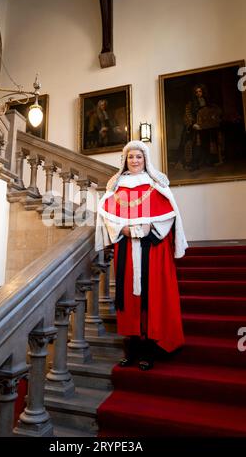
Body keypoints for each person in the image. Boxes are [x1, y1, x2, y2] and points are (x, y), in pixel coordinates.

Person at [95, 140, 188, 370]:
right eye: (131, 157)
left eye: (139, 157)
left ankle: (149, 350)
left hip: (152, 249)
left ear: (145, 159)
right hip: (126, 248)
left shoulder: (156, 184)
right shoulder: (117, 187)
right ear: (125, 161)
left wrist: (149, 228)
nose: (135, 161)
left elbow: (169, 214)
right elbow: (106, 214)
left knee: (151, 298)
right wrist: (121, 229)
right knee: (128, 299)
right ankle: (131, 349)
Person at [176, 84, 223, 171]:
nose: (198, 93)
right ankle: (195, 164)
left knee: (207, 144)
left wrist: (213, 120)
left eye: (200, 91)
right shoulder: (191, 104)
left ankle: (208, 161)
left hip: (207, 128)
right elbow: (188, 114)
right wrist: (193, 124)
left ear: (203, 92)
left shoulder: (208, 102)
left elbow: (214, 112)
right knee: (196, 145)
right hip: (196, 128)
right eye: (196, 92)